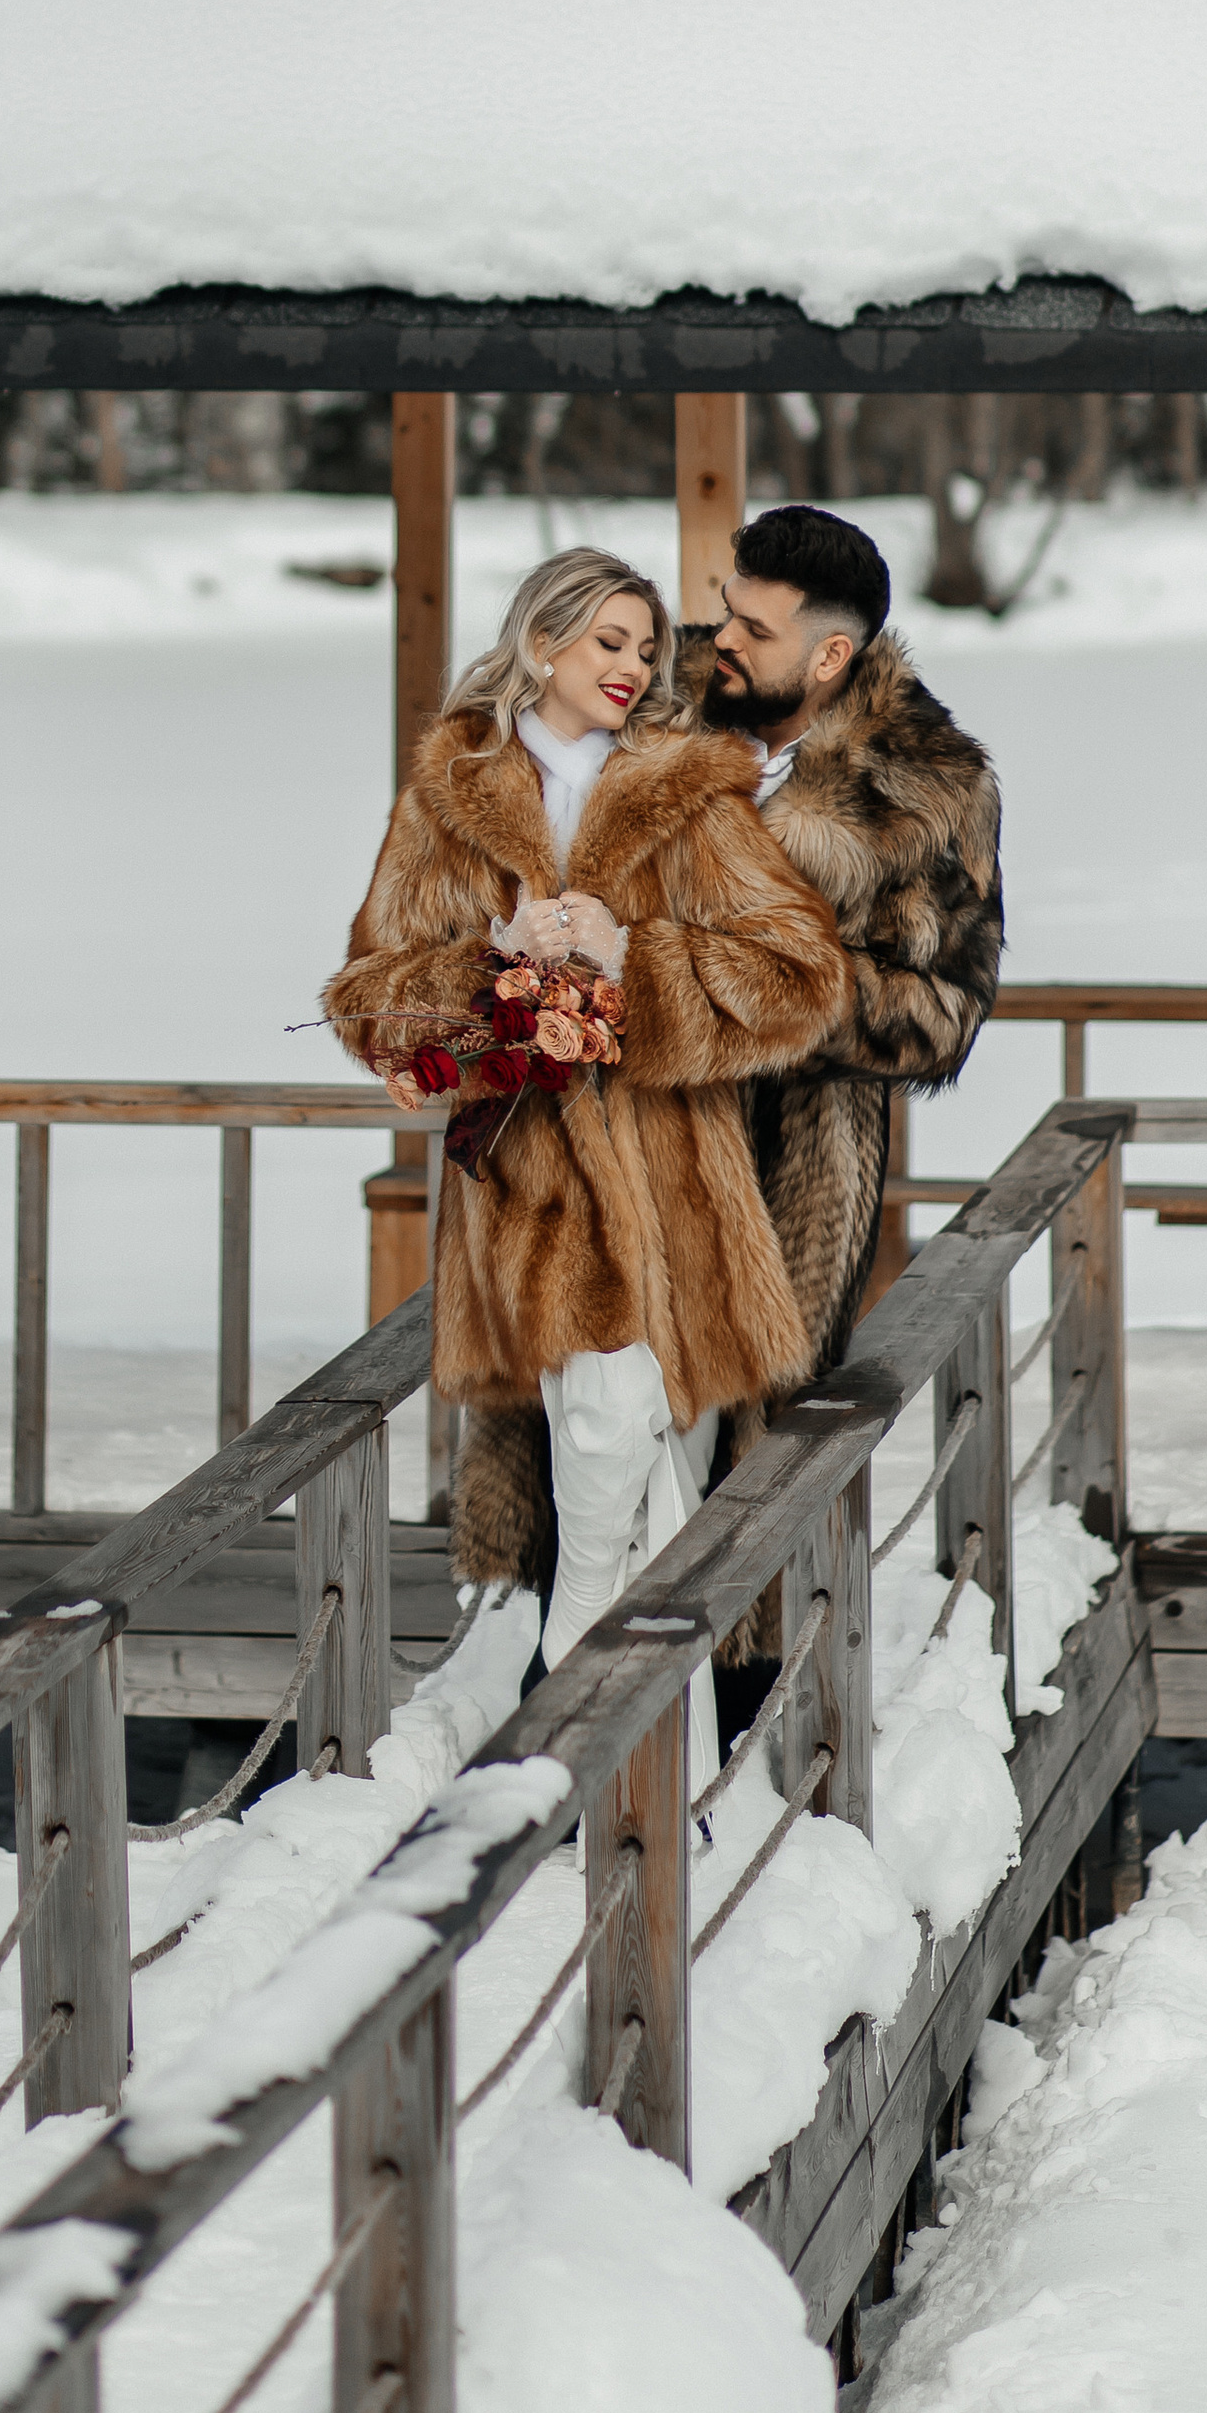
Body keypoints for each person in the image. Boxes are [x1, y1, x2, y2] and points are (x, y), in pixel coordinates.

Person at [449, 503, 1003, 1676]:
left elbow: (942, 1013)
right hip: (610, 1143)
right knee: (583, 1460)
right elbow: (499, 784)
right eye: (727, 610)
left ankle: (713, 1730)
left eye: (755, 626)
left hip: (781, 1172)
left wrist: (728, 989)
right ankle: (556, 1711)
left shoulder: (928, 789)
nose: (722, 640)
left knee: (727, 1503)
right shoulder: (647, 701)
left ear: (832, 652)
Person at [323, 544, 852, 1702]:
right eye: (610, 641)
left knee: (664, 1514)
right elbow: (365, 1003)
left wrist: (636, 963)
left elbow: (802, 977)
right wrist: (489, 970)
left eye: (648, 648)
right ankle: (568, 1700)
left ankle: (647, 1765)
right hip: (532, 1196)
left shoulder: (686, 793)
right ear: (540, 641)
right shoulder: (449, 799)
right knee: (607, 1449)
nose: (635, 666)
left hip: (681, 1200)